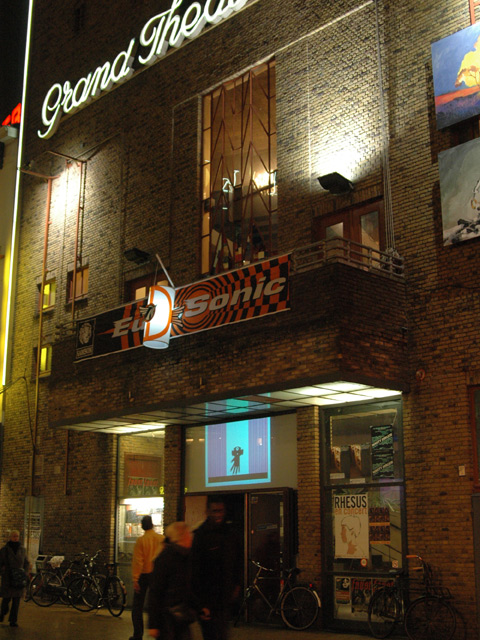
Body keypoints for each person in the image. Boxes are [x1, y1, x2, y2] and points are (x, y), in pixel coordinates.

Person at [191, 496, 242, 640]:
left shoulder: (230, 533)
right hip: (207, 598)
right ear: (208, 512)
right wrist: (200, 604)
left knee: (221, 633)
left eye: (221, 511)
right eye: (215, 511)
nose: (218, 514)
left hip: (224, 597)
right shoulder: (201, 536)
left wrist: (237, 584)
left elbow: (237, 561)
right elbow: (195, 570)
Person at [148, 521, 195, 640]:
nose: (191, 538)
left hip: (180, 615)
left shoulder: (186, 556)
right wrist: (153, 624)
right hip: (167, 618)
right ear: (182, 537)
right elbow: (156, 591)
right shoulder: (167, 558)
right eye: (188, 534)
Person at [130, 515, 165, 640]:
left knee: (137, 606)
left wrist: (135, 579)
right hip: (157, 575)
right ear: (152, 525)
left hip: (143, 575)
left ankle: (138, 634)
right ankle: (159, 631)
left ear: (142, 526)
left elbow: (138, 561)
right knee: (157, 604)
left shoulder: (141, 541)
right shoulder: (161, 539)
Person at [0, 530, 30, 627]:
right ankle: (2, 612)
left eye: (17, 536)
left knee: (16, 601)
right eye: (14, 536)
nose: (16, 538)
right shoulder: (4, 550)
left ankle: (13, 620)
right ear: (10, 537)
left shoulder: (22, 549)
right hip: (8, 578)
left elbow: (26, 562)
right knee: (6, 599)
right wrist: (3, 571)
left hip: (18, 578)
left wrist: (25, 573)